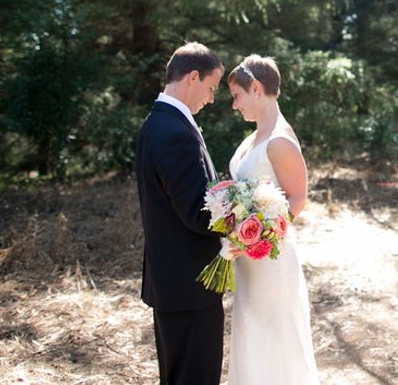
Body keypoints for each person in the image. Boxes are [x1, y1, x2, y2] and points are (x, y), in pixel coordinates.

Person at [135, 42, 226, 385]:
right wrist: (244, 219)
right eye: (211, 87)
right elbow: (197, 213)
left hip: (172, 280)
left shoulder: (156, 123)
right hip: (190, 285)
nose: (212, 98)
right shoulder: (175, 133)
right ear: (192, 77)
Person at [225, 54, 319, 384]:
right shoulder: (254, 138)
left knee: (274, 342)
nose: (235, 105)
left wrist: (259, 237)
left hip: (271, 260)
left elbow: (297, 199)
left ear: (256, 88)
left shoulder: (279, 139)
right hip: (249, 262)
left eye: (237, 96)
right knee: (252, 337)